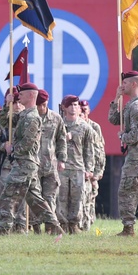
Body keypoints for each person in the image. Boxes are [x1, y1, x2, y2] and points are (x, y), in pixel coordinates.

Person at [0, 83, 64, 236]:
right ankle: (55, 225)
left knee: (8, 195)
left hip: (25, 162)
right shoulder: (24, 115)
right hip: (25, 163)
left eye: (22, 94)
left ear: (31, 95)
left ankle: (3, 229)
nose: (19, 96)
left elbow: (28, 142)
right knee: (35, 199)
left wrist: (13, 150)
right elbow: (3, 121)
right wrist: (8, 105)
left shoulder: (32, 117)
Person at [109, 70, 138, 237]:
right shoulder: (131, 104)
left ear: (134, 84)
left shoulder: (137, 106)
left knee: (126, 190)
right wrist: (117, 98)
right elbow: (114, 119)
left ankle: (128, 227)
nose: (123, 85)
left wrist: (124, 137)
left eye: (126, 83)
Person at [56, 95, 95, 233]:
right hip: (62, 167)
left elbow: (89, 150)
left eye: (76, 105)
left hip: (78, 167)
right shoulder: (59, 125)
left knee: (78, 198)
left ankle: (74, 224)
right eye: (70, 105)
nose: (74, 108)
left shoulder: (85, 127)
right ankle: (63, 225)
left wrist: (89, 169)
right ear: (64, 108)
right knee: (61, 197)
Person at [29, 89, 66, 234]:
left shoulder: (56, 119)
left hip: (50, 165)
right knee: (35, 197)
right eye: (38, 105)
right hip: (34, 164)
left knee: (50, 198)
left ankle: (50, 228)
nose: (41, 108)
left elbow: (61, 140)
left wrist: (62, 159)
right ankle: (36, 227)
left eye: (43, 105)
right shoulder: (30, 118)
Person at [79, 99, 106, 229]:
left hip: (92, 169)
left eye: (85, 109)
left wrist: (98, 172)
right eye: (81, 109)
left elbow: (100, 151)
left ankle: (87, 226)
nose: (83, 112)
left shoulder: (94, 127)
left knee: (90, 199)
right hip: (78, 168)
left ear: (88, 110)